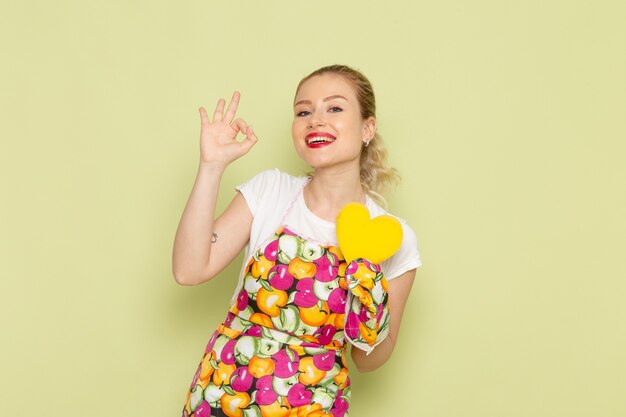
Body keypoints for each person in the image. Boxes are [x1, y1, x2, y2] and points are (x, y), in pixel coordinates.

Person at [172, 64, 421, 417]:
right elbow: (188, 269)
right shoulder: (269, 191)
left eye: (334, 108)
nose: (315, 120)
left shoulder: (391, 237)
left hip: (313, 407)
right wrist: (211, 166)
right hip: (222, 398)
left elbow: (368, 360)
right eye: (303, 111)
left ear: (368, 127)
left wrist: (370, 295)